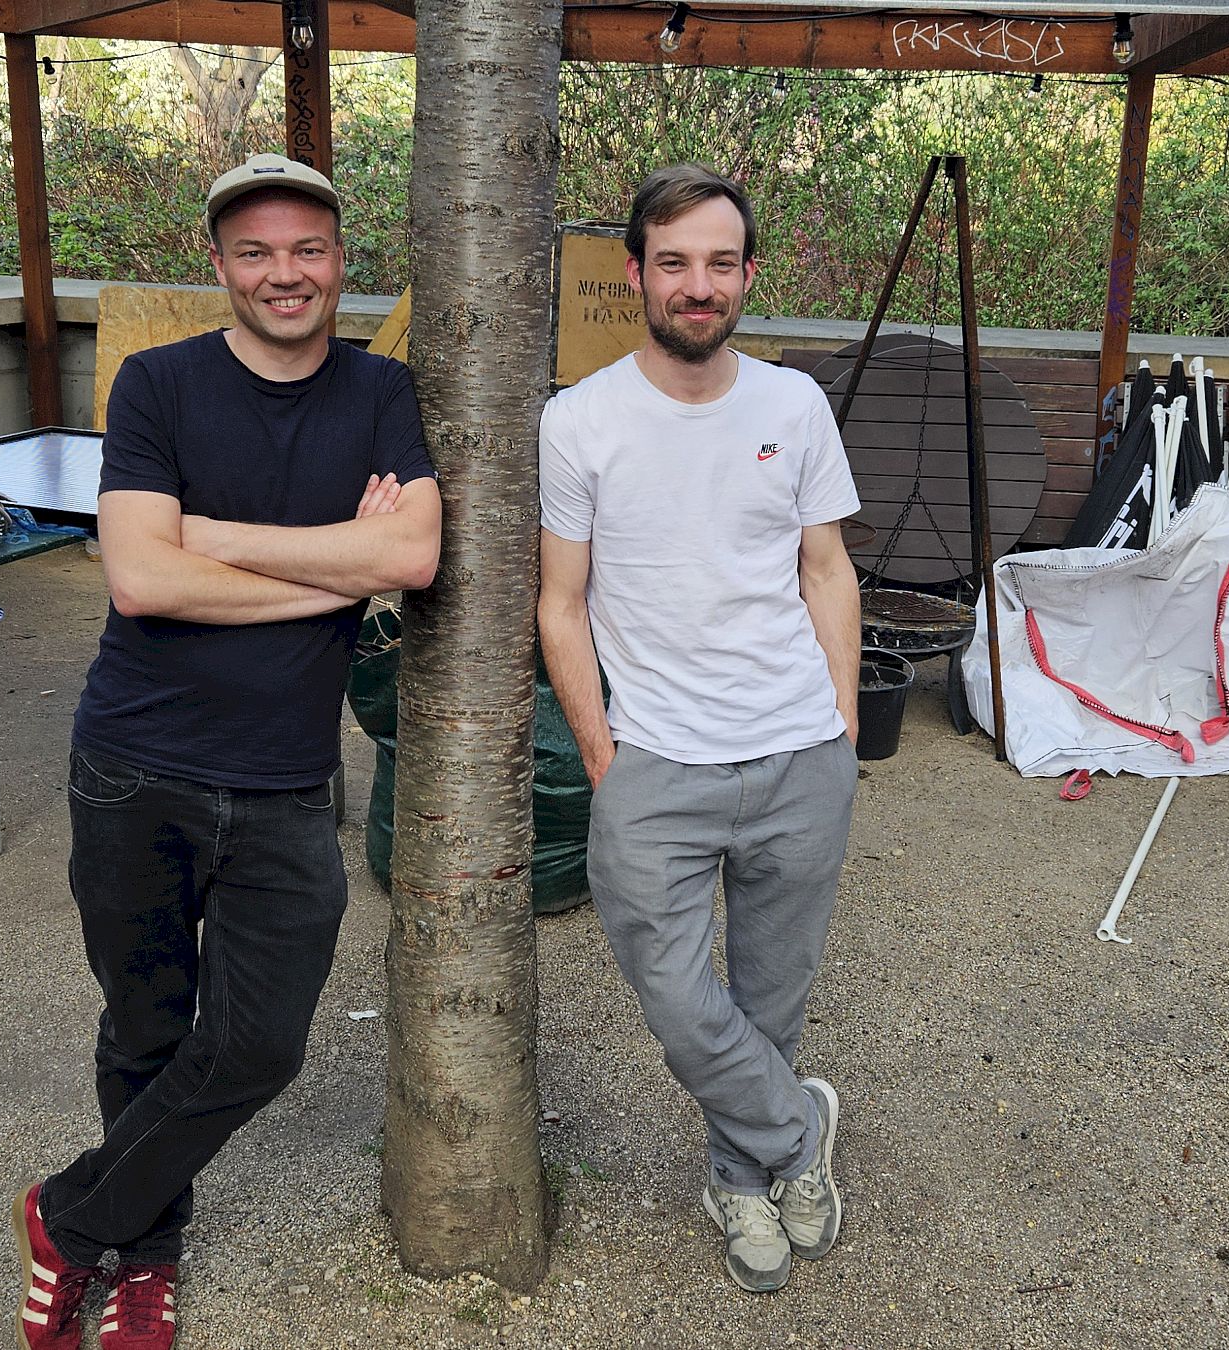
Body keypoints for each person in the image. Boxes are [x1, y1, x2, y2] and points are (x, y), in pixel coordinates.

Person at [16, 153, 440, 1350]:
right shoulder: (156, 384)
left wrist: (215, 542)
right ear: (219, 265)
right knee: (143, 1025)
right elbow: (144, 578)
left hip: (285, 780)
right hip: (133, 764)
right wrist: (326, 572)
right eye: (255, 251)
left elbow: (409, 562)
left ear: (340, 260)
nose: (284, 273)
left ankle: (68, 1216)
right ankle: (138, 1255)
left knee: (258, 1042)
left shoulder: (380, 392)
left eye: (307, 248)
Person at [536, 163, 863, 1294]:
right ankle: (795, 1135)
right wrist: (601, 755)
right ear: (635, 274)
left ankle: (740, 1175)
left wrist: (840, 726)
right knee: (680, 1002)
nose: (697, 285)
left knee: (769, 999)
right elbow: (559, 604)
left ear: (746, 276)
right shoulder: (578, 423)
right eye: (673, 262)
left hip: (797, 756)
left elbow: (827, 568)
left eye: (719, 263)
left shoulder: (794, 407)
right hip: (656, 766)